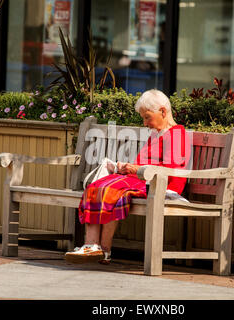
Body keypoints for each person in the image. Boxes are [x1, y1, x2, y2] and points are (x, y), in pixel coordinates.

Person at [65, 89, 191, 265]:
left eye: (147, 117)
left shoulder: (177, 133)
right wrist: (125, 167)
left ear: (163, 111)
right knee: (96, 186)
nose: (145, 123)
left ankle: (103, 249)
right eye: (143, 118)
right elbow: (141, 164)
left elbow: (170, 170)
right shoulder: (156, 134)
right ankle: (92, 246)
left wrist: (135, 169)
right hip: (143, 179)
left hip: (160, 185)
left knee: (110, 190)